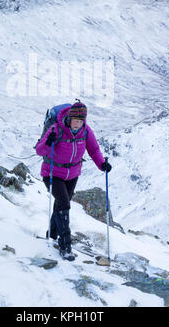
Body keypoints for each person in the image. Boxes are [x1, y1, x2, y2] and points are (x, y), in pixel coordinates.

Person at [35, 100, 112, 260]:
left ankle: (52, 233)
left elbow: (94, 149)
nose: (77, 124)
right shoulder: (56, 129)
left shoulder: (85, 131)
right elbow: (39, 150)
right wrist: (49, 142)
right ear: (69, 118)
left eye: (80, 121)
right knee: (64, 203)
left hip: (72, 174)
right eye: (75, 121)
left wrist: (102, 165)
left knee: (62, 202)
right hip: (52, 173)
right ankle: (65, 245)